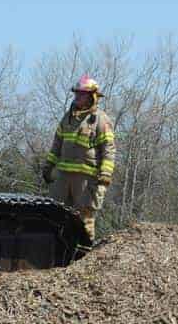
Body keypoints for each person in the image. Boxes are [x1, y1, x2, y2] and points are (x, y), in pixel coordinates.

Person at [43, 75, 116, 241]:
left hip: (86, 180)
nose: (78, 97)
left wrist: (105, 176)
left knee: (85, 219)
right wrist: (49, 165)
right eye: (77, 94)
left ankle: (83, 258)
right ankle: (58, 256)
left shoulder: (100, 120)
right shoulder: (67, 118)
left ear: (92, 97)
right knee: (56, 215)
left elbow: (108, 150)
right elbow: (57, 144)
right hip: (63, 178)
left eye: (82, 94)